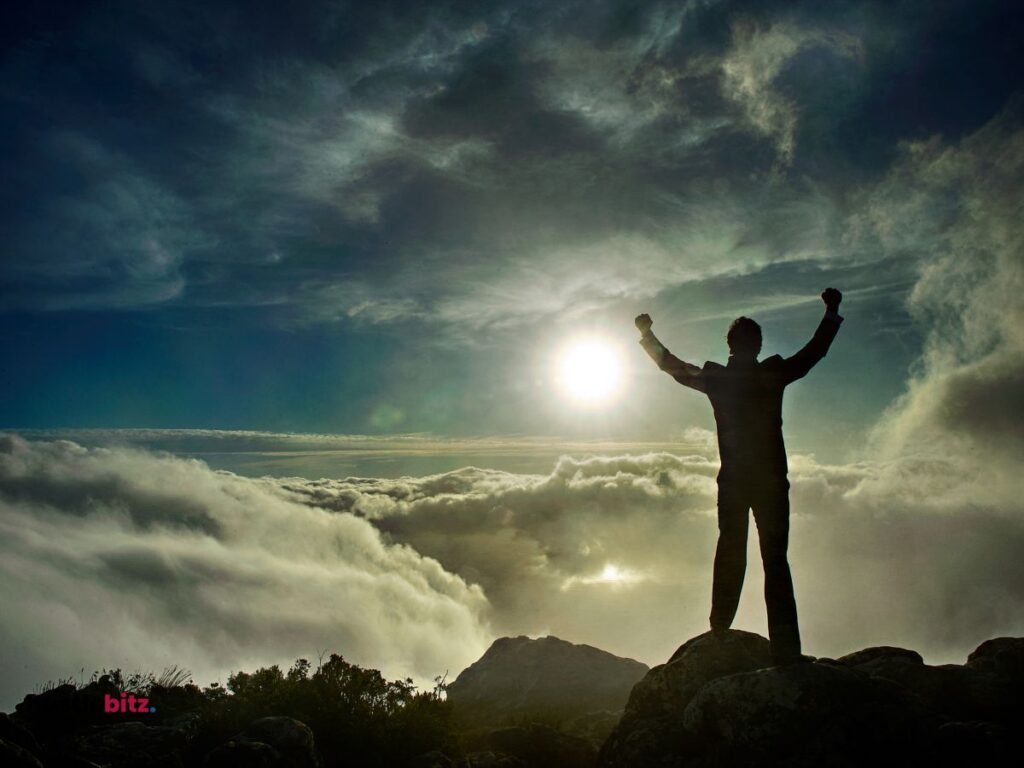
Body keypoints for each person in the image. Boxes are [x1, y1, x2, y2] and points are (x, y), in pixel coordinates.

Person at [635, 288, 843, 665]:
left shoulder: (716, 380)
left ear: (729, 346)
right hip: (771, 482)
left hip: (733, 481)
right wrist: (831, 312)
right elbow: (814, 353)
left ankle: (719, 631)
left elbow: (672, 366)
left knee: (731, 550)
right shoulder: (773, 374)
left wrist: (648, 336)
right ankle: (786, 651)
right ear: (758, 346)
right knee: (775, 561)